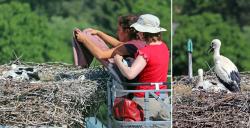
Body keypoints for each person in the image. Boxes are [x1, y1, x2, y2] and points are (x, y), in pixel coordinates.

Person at [114, 14, 170, 126]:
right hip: (164, 100)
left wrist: (118, 60)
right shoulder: (164, 47)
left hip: (145, 101)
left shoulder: (146, 52)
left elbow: (130, 74)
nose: (137, 33)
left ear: (144, 33)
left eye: (139, 30)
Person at [74, 15, 146, 60]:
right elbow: (118, 44)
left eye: (119, 30)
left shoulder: (129, 47)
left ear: (127, 31)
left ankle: (81, 65)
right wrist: (100, 33)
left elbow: (101, 55)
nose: (117, 33)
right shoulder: (139, 43)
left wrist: (84, 40)